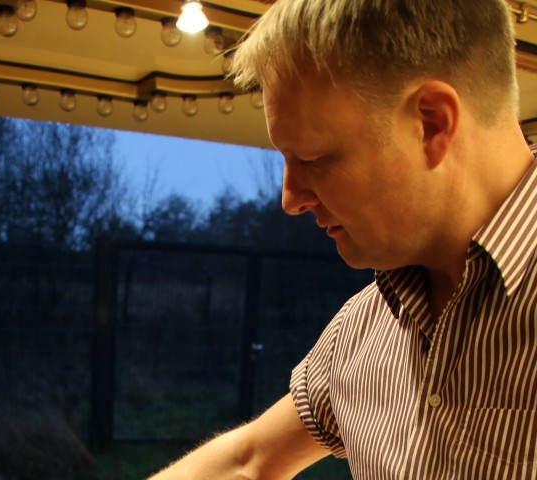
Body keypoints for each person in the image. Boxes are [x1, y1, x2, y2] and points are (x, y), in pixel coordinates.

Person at [150, 0, 537, 478]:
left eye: (314, 157)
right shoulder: (366, 325)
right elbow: (249, 461)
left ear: (433, 123)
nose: (289, 200)